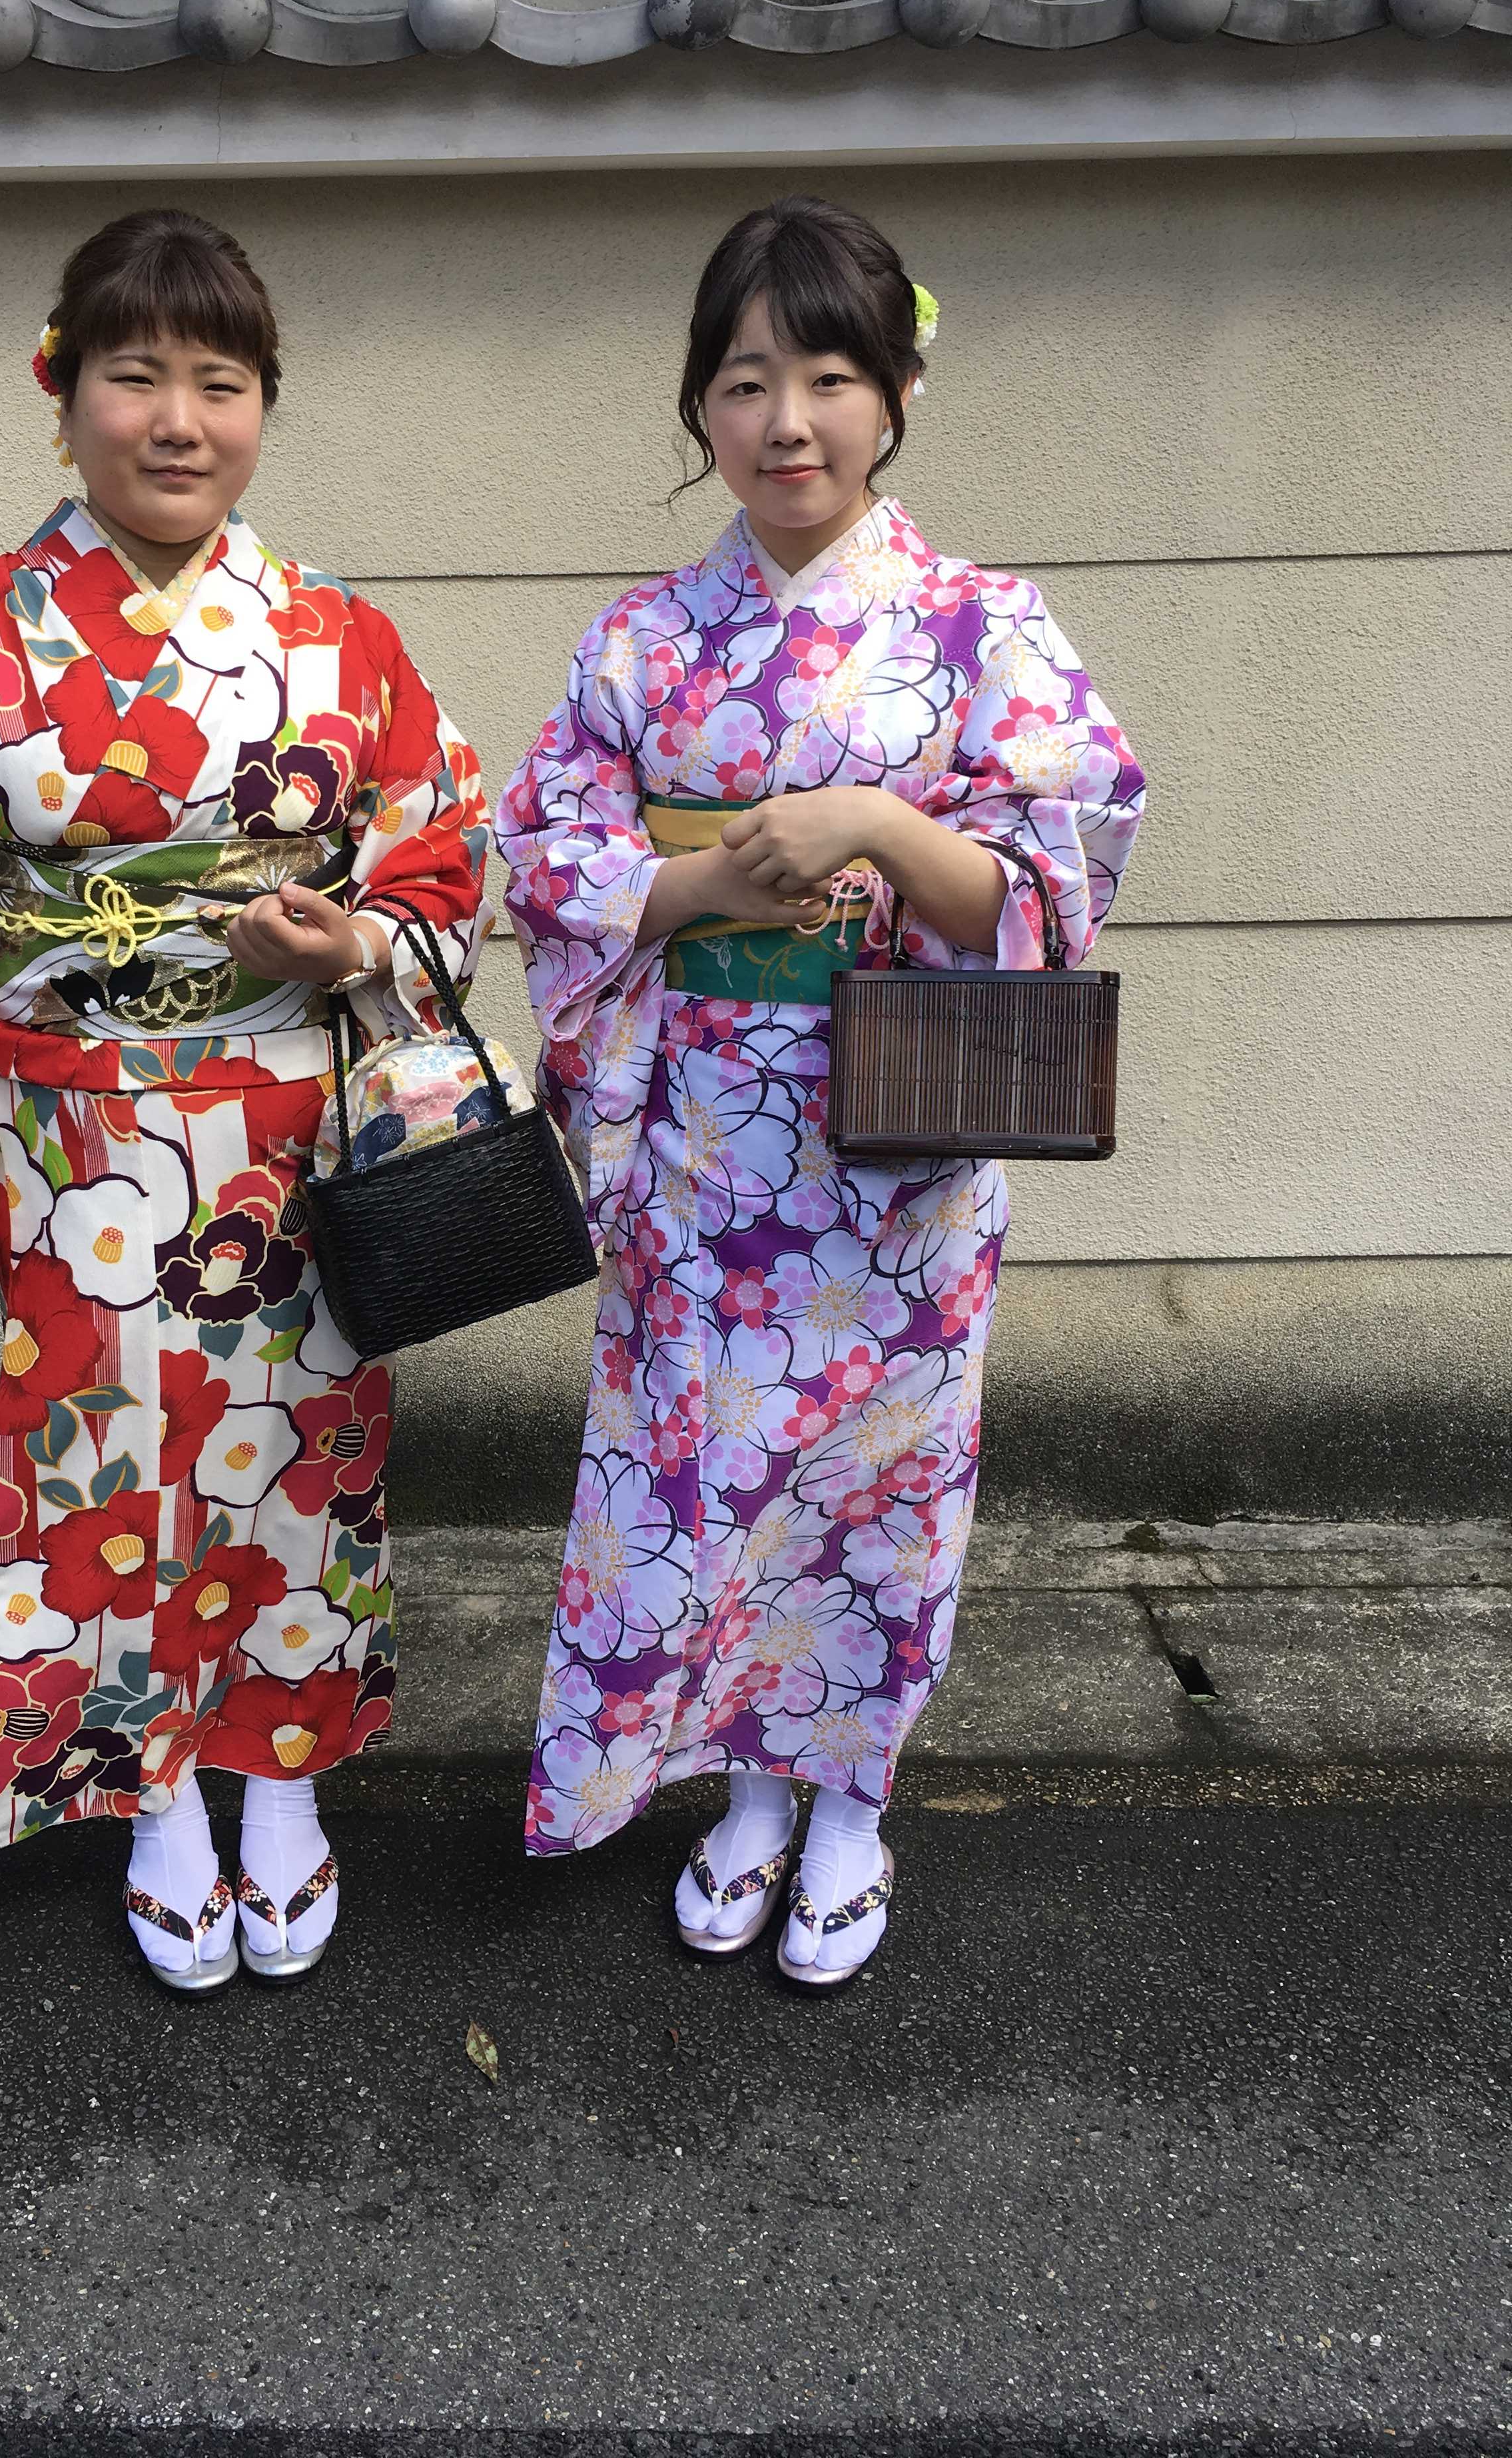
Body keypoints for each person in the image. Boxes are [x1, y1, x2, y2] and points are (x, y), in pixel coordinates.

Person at [0, 207, 490, 1991]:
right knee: (99, 1470)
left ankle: (281, 1777)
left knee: (298, 1452)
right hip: (64, 1127)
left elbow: (445, 846)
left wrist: (357, 936)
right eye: (135, 375)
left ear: (264, 405)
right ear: (61, 390)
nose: (176, 420)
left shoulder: (341, 638)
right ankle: (151, 1792)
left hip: (288, 1124)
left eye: (219, 383)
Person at [499, 197, 1144, 1986]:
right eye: (744, 381)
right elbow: (545, 859)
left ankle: (851, 1799)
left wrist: (875, 825)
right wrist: (706, 883)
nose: (788, 421)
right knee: (703, 1474)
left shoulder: (982, 628)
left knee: (881, 1479)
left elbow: (1058, 873)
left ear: (898, 393)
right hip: (701, 1138)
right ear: (700, 409)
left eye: (831, 377)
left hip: (901, 1142)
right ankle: (744, 1792)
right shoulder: (642, 642)